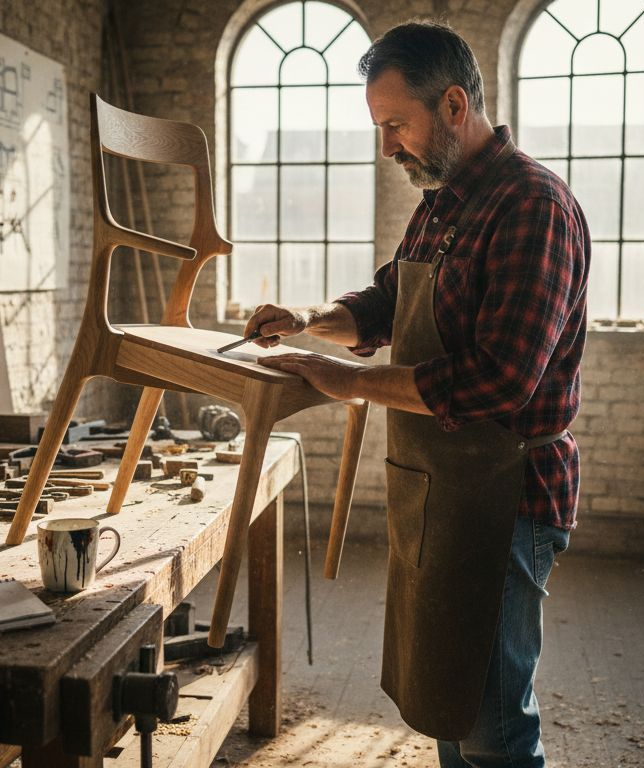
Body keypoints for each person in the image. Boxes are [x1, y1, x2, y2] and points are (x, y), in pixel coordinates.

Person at [241, 20, 589, 768]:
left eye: (396, 124)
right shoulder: (442, 202)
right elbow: (385, 301)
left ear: (455, 105)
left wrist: (356, 384)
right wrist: (309, 322)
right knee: (444, 702)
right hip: (439, 489)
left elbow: (501, 380)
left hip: (506, 497)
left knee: (493, 724)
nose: (387, 146)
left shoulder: (532, 206)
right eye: (379, 127)